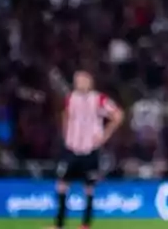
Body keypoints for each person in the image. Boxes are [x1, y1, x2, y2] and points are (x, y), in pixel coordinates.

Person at [50, 71, 124, 229]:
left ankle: (85, 225)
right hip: (71, 148)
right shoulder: (70, 98)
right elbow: (66, 115)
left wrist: (104, 135)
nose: (80, 83)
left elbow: (118, 115)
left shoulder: (99, 99)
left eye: (83, 80)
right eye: (77, 80)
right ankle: (59, 224)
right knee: (62, 184)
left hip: (90, 150)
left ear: (90, 82)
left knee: (89, 187)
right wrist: (66, 134)